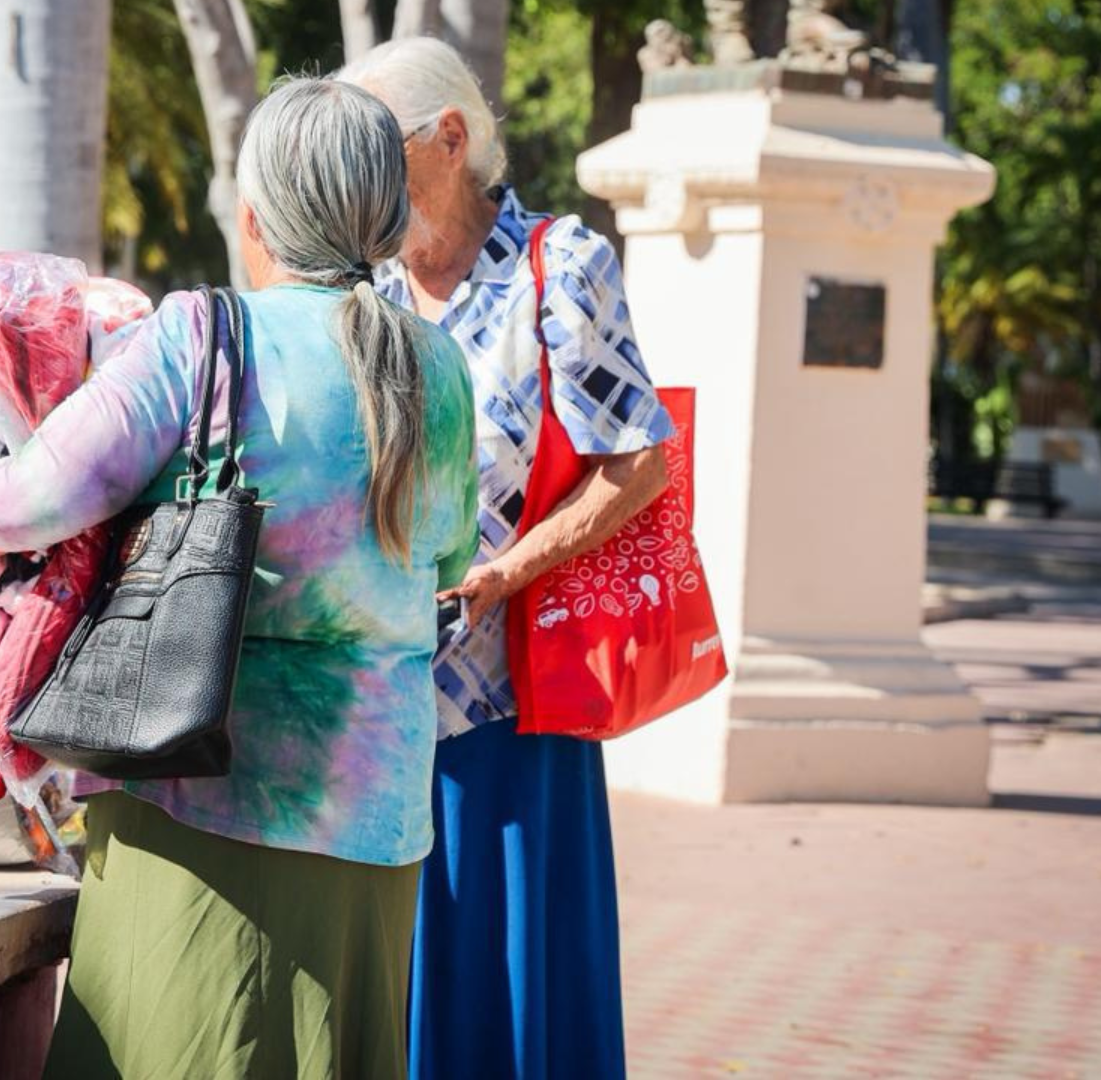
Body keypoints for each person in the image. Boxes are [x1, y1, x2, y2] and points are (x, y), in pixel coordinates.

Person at [0, 77, 479, 1080]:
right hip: (375, 805)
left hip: (197, 780)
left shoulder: (204, 334)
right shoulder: (438, 365)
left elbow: (45, 494)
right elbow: (447, 557)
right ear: (387, 211)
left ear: (257, 214)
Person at [343, 37, 675, 1080]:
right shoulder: (365, 298)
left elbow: (639, 462)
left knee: (521, 994)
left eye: (371, 150)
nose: (353, 181)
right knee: (399, 1000)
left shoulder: (557, 264)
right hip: (378, 706)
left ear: (450, 139)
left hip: (511, 705)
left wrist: (504, 572)